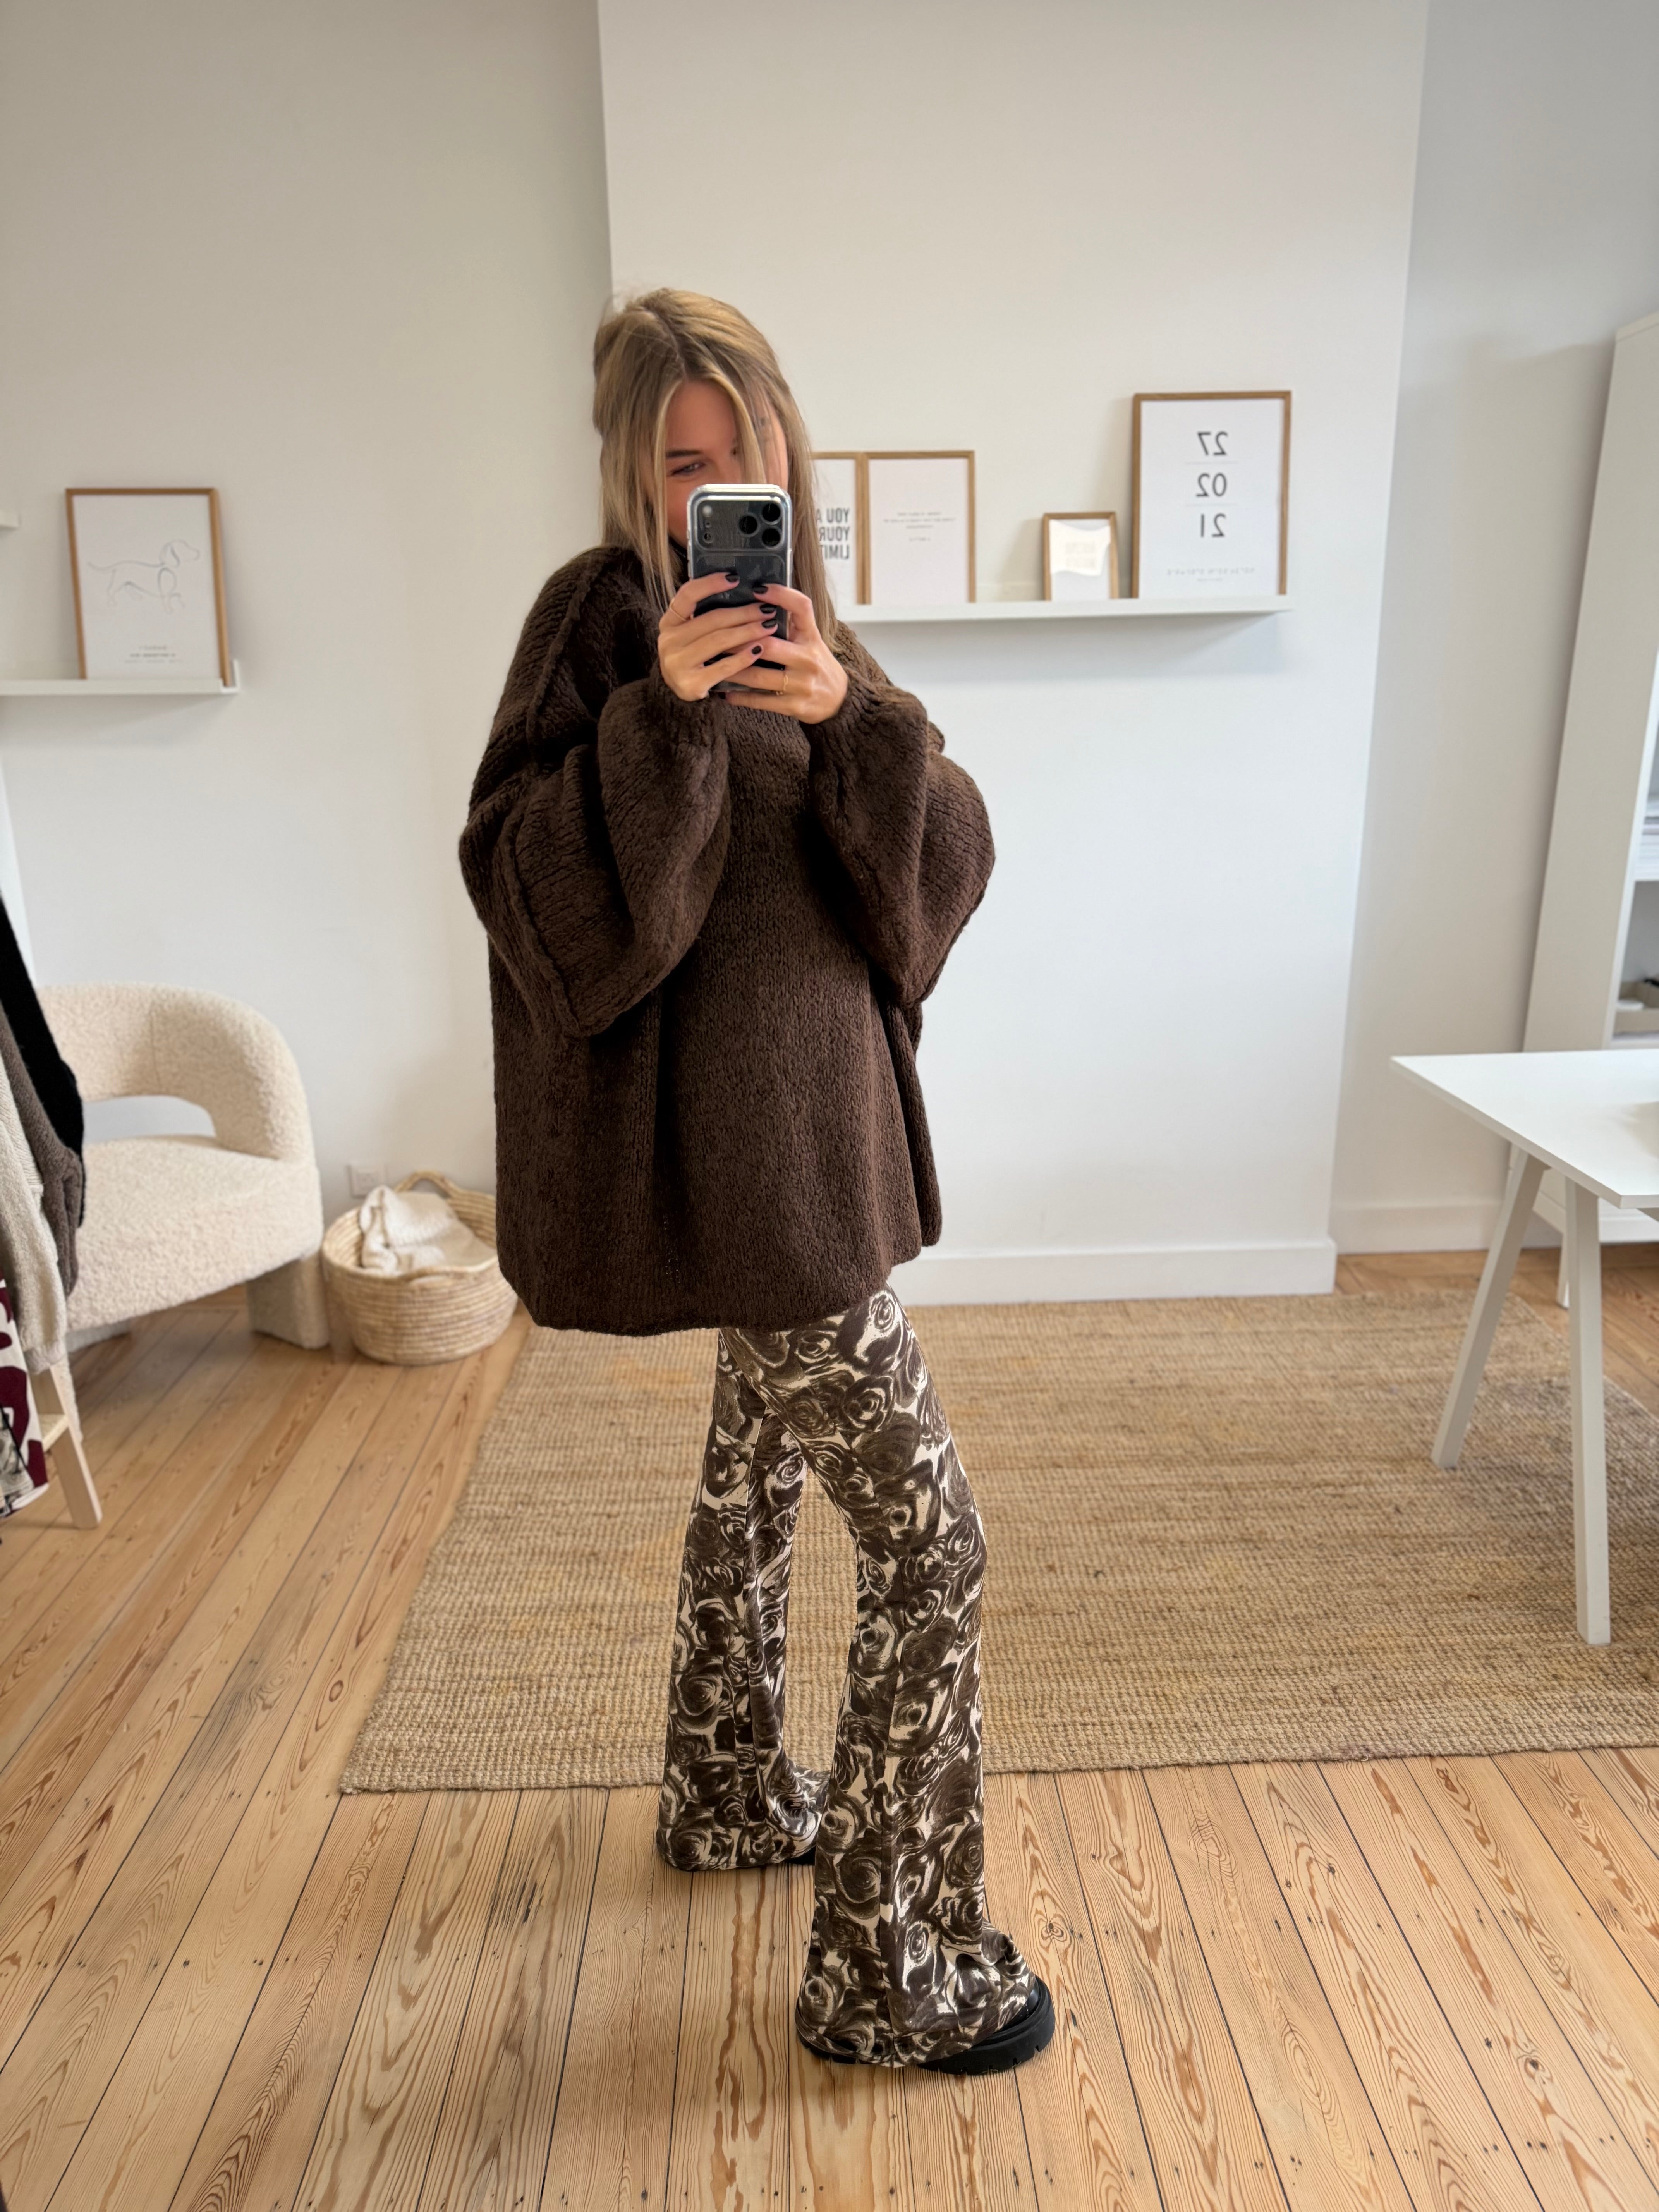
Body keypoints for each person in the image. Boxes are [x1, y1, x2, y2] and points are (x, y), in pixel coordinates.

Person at [459, 288, 1052, 2075]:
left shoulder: (821, 635)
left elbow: (940, 878)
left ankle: (726, 1785)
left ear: (787, 444)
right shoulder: (596, 621)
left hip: (814, 1150)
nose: (715, 486)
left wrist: (855, 722)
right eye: (679, 464)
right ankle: (885, 1971)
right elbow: (525, 885)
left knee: (758, 1469)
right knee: (934, 1548)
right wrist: (665, 717)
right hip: (745, 1175)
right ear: (630, 478)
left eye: (741, 449)